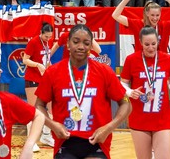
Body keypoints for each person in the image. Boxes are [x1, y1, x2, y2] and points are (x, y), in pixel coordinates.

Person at [34, 24, 131, 159]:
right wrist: (53, 125)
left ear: (91, 46)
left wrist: (108, 128)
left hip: (97, 142)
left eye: (86, 43)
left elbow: (126, 102)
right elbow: (39, 105)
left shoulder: (104, 71)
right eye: (76, 41)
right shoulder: (53, 72)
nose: (81, 46)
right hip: (65, 142)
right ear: (68, 44)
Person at [120, 26, 170, 159]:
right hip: (139, 118)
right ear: (140, 42)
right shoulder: (131, 60)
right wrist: (130, 92)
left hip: (162, 118)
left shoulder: (167, 59)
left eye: (153, 44)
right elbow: (122, 83)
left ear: (158, 42)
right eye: (147, 44)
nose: (150, 48)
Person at [22, 22, 56, 148]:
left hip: (45, 79)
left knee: (52, 107)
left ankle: (46, 135)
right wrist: (37, 65)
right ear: (41, 33)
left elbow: (47, 59)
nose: (48, 38)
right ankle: (31, 141)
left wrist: (52, 68)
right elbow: (25, 60)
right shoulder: (33, 42)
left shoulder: (48, 42)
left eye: (50, 36)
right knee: (33, 110)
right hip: (32, 79)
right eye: (46, 36)